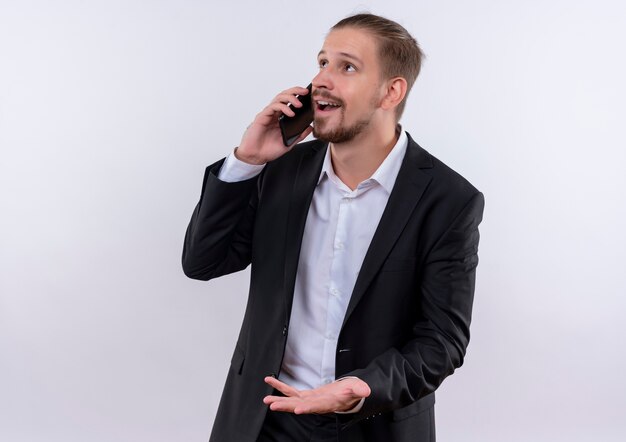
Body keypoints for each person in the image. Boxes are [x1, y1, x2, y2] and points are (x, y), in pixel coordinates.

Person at [182, 13, 484, 442]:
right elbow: (202, 262)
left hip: (372, 422)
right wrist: (246, 162)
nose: (321, 80)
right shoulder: (280, 172)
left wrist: (361, 388)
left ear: (391, 91)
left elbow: (441, 342)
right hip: (265, 421)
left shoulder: (448, 199)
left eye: (346, 67)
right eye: (322, 62)